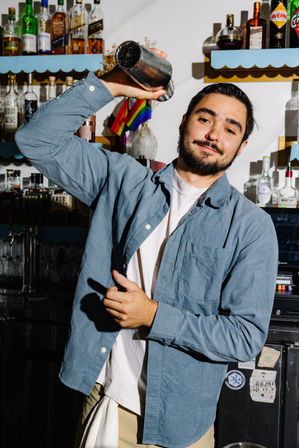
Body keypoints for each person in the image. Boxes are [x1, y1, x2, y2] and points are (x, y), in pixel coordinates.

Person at [15, 49, 278, 448]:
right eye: (205, 118)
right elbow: (35, 140)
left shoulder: (251, 226)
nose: (213, 134)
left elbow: (244, 336)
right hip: (104, 400)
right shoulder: (123, 180)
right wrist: (110, 86)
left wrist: (153, 315)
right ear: (185, 123)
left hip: (180, 423)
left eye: (230, 128)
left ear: (240, 146)